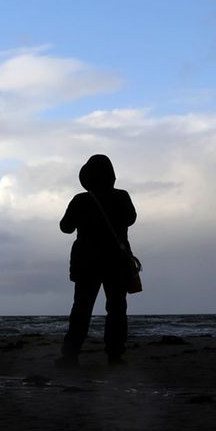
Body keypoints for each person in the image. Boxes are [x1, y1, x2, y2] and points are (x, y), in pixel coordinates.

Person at [56, 153, 137, 366]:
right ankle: (115, 355)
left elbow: (65, 227)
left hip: (87, 263)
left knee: (81, 309)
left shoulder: (81, 200)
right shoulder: (122, 197)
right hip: (116, 262)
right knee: (117, 309)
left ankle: (70, 355)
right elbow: (131, 219)